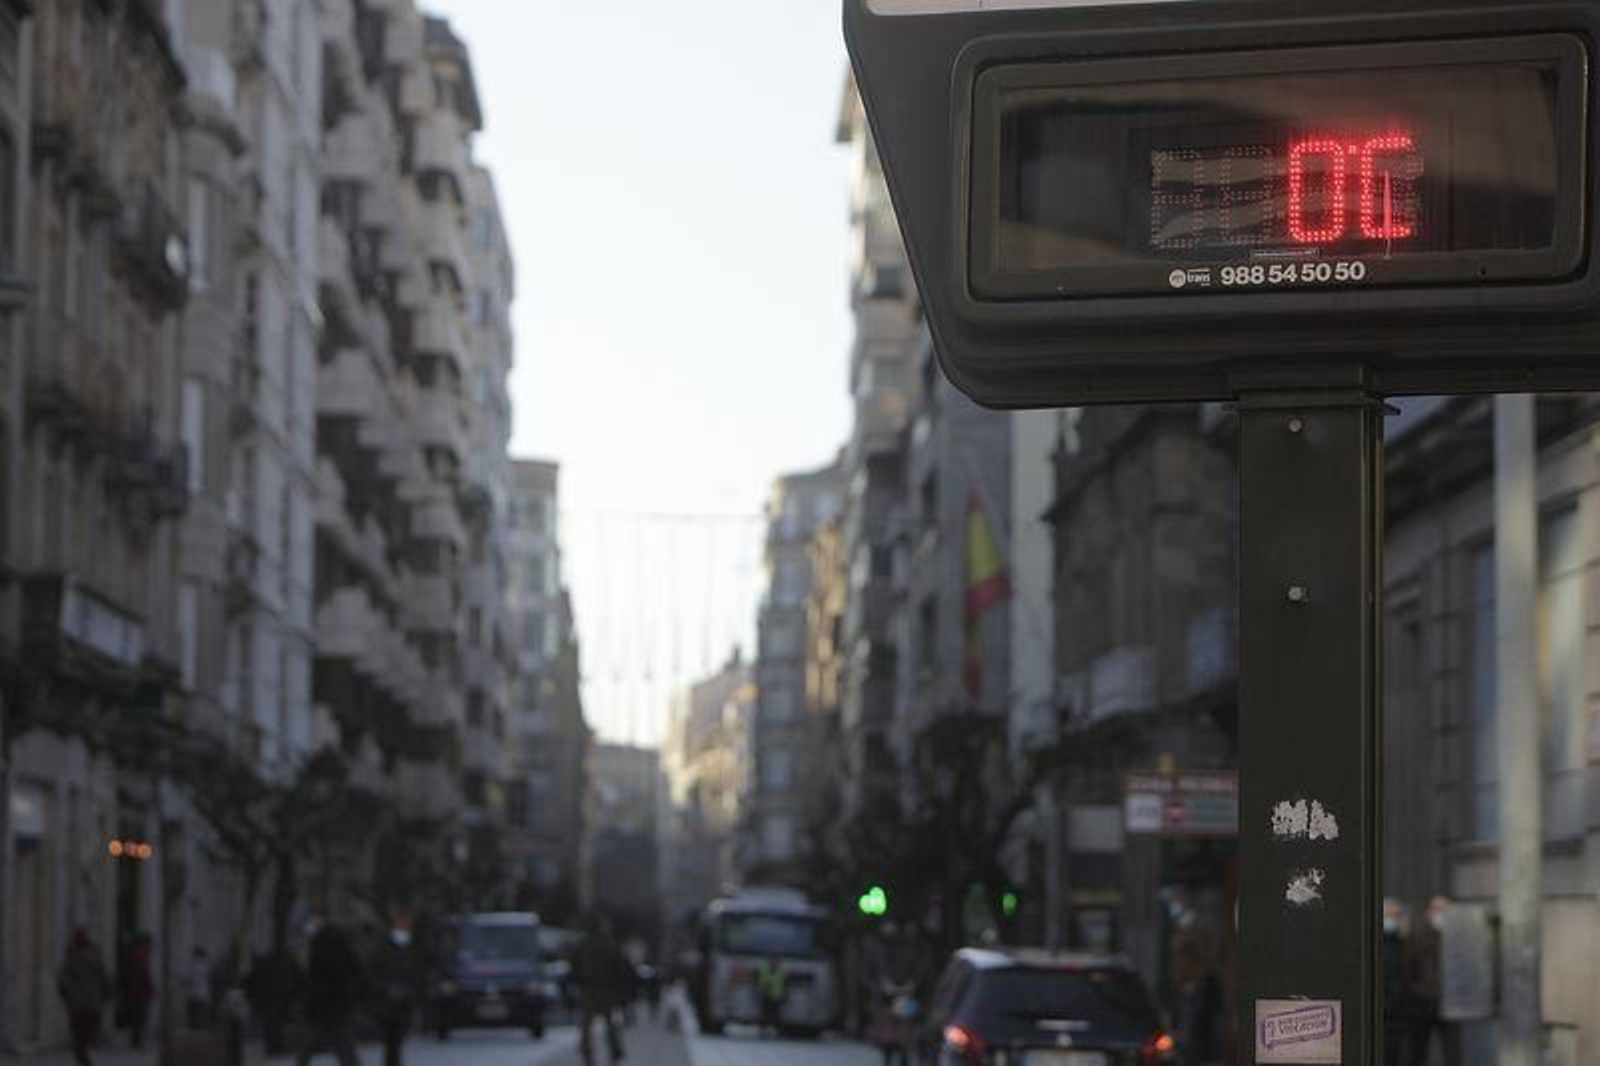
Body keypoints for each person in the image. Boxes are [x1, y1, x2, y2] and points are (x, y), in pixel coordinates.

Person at [296, 921, 363, 1066]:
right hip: (339, 1006)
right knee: (344, 1047)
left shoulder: (317, 951)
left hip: (318, 1006)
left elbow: (310, 981)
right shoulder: (345, 951)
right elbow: (357, 974)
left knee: (308, 1047)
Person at [1406, 896, 1461, 1066]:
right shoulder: (1417, 936)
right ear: (1429, 912)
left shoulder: (1457, 935)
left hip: (1451, 1003)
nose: (1441, 914)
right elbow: (1408, 969)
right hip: (1423, 1002)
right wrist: (1416, 991)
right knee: (1419, 1049)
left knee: (1453, 1051)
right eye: (1438, 910)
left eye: (1445, 910)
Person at [571, 914, 627, 1064]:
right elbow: (618, 969)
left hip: (589, 989)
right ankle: (614, 1050)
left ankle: (588, 1053)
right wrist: (620, 991)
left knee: (587, 1025)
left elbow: (574, 966)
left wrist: (577, 983)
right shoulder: (609, 944)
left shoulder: (583, 944)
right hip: (604, 989)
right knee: (609, 1023)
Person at [58, 928, 112, 1066]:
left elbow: (63, 977)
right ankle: (83, 1055)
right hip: (90, 1001)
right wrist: (107, 993)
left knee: (79, 1032)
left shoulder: (73, 954)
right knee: (86, 1031)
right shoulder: (91, 954)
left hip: (79, 1001)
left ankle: (82, 1056)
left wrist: (65, 992)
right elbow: (103, 975)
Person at [371, 927, 418, 1066]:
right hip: (387, 1004)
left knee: (395, 1042)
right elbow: (374, 974)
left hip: (401, 1003)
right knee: (391, 1042)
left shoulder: (409, 950)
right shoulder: (383, 951)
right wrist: (387, 989)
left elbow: (414, 976)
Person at [1382, 898, 1410, 1066]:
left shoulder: (1406, 940)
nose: (1393, 919)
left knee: (1396, 1051)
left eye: (1396, 915)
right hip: (1382, 1003)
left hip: (1399, 1005)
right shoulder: (1371, 940)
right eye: (1389, 914)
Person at [121, 931, 155, 1049]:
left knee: (138, 1018)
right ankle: (136, 1041)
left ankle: (136, 1040)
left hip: (138, 991)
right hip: (138, 992)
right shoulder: (138, 955)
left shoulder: (138, 954)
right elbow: (141, 975)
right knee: (138, 1018)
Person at [756, 957, 788, 1035]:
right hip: (766, 996)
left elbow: (785, 985)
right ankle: (763, 1029)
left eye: (775, 963)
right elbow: (761, 982)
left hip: (776, 997)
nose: (773, 964)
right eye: (772, 962)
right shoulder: (765, 972)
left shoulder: (781, 973)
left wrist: (784, 995)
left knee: (776, 1015)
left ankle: (776, 1030)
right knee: (765, 1014)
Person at [186, 946, 212, 1029]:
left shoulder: (194, 964)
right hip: (201, 993)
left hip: (195, 993)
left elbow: (190, 978)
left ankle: (195, 1025)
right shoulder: (205, 964)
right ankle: (199, 1025)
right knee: (200, 1010)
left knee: (194, 1011)